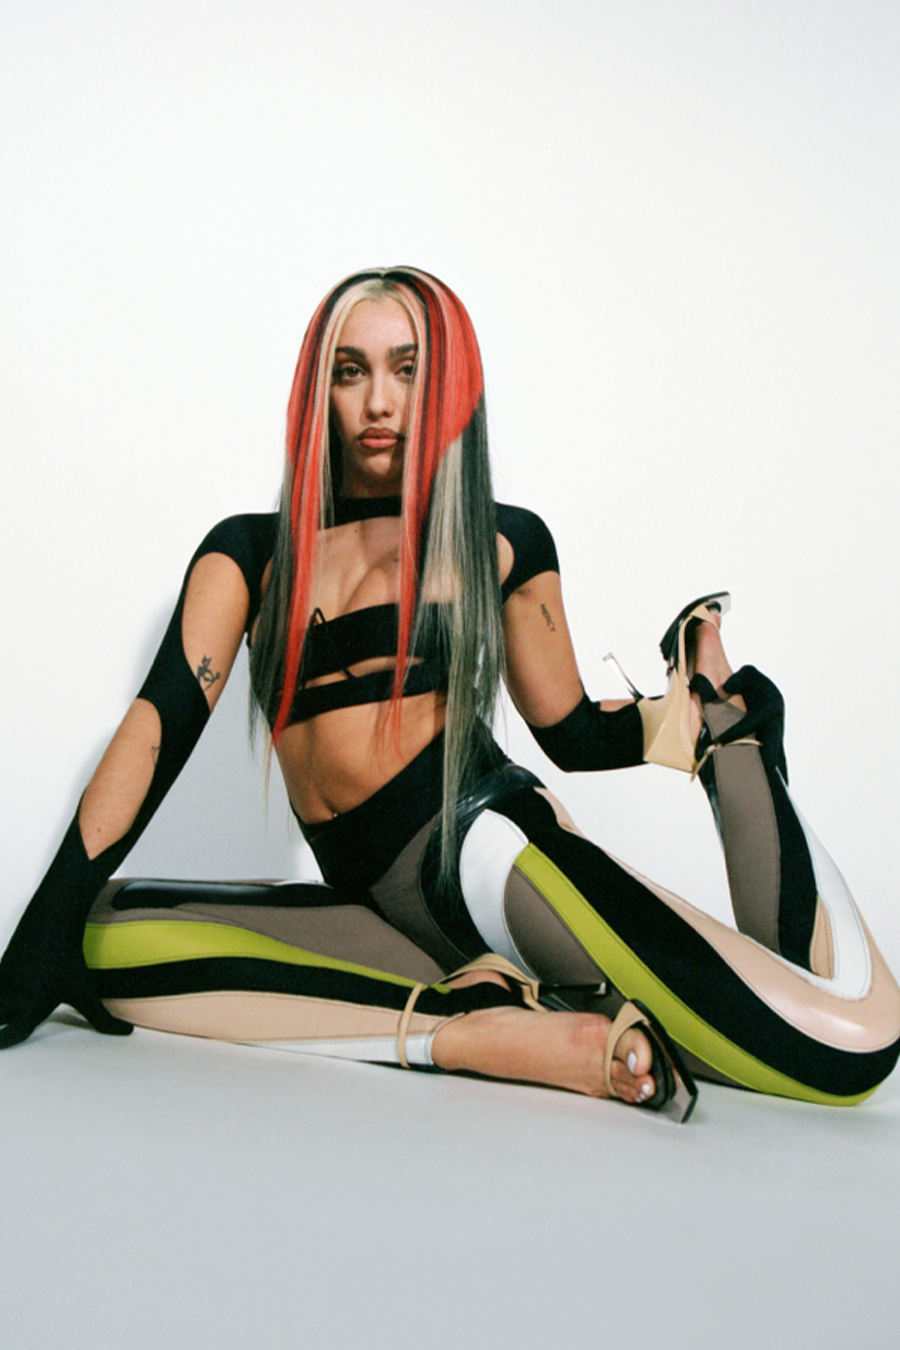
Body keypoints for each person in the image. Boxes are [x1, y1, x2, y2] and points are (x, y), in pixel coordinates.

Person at [2, 267, 898, 1121]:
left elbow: (571, 731)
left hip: (490, 854)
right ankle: (473, 1017)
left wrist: (680, 726)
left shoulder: (498, 541)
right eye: (350, 372)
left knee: (845, 1041)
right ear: (319, 392)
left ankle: (732, 731)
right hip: (370, 904)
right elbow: (154, 733)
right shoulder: (248, 553)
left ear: (448, 389)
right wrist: (33, 940)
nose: (379, 402)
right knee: (93, 926)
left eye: (407, 370)